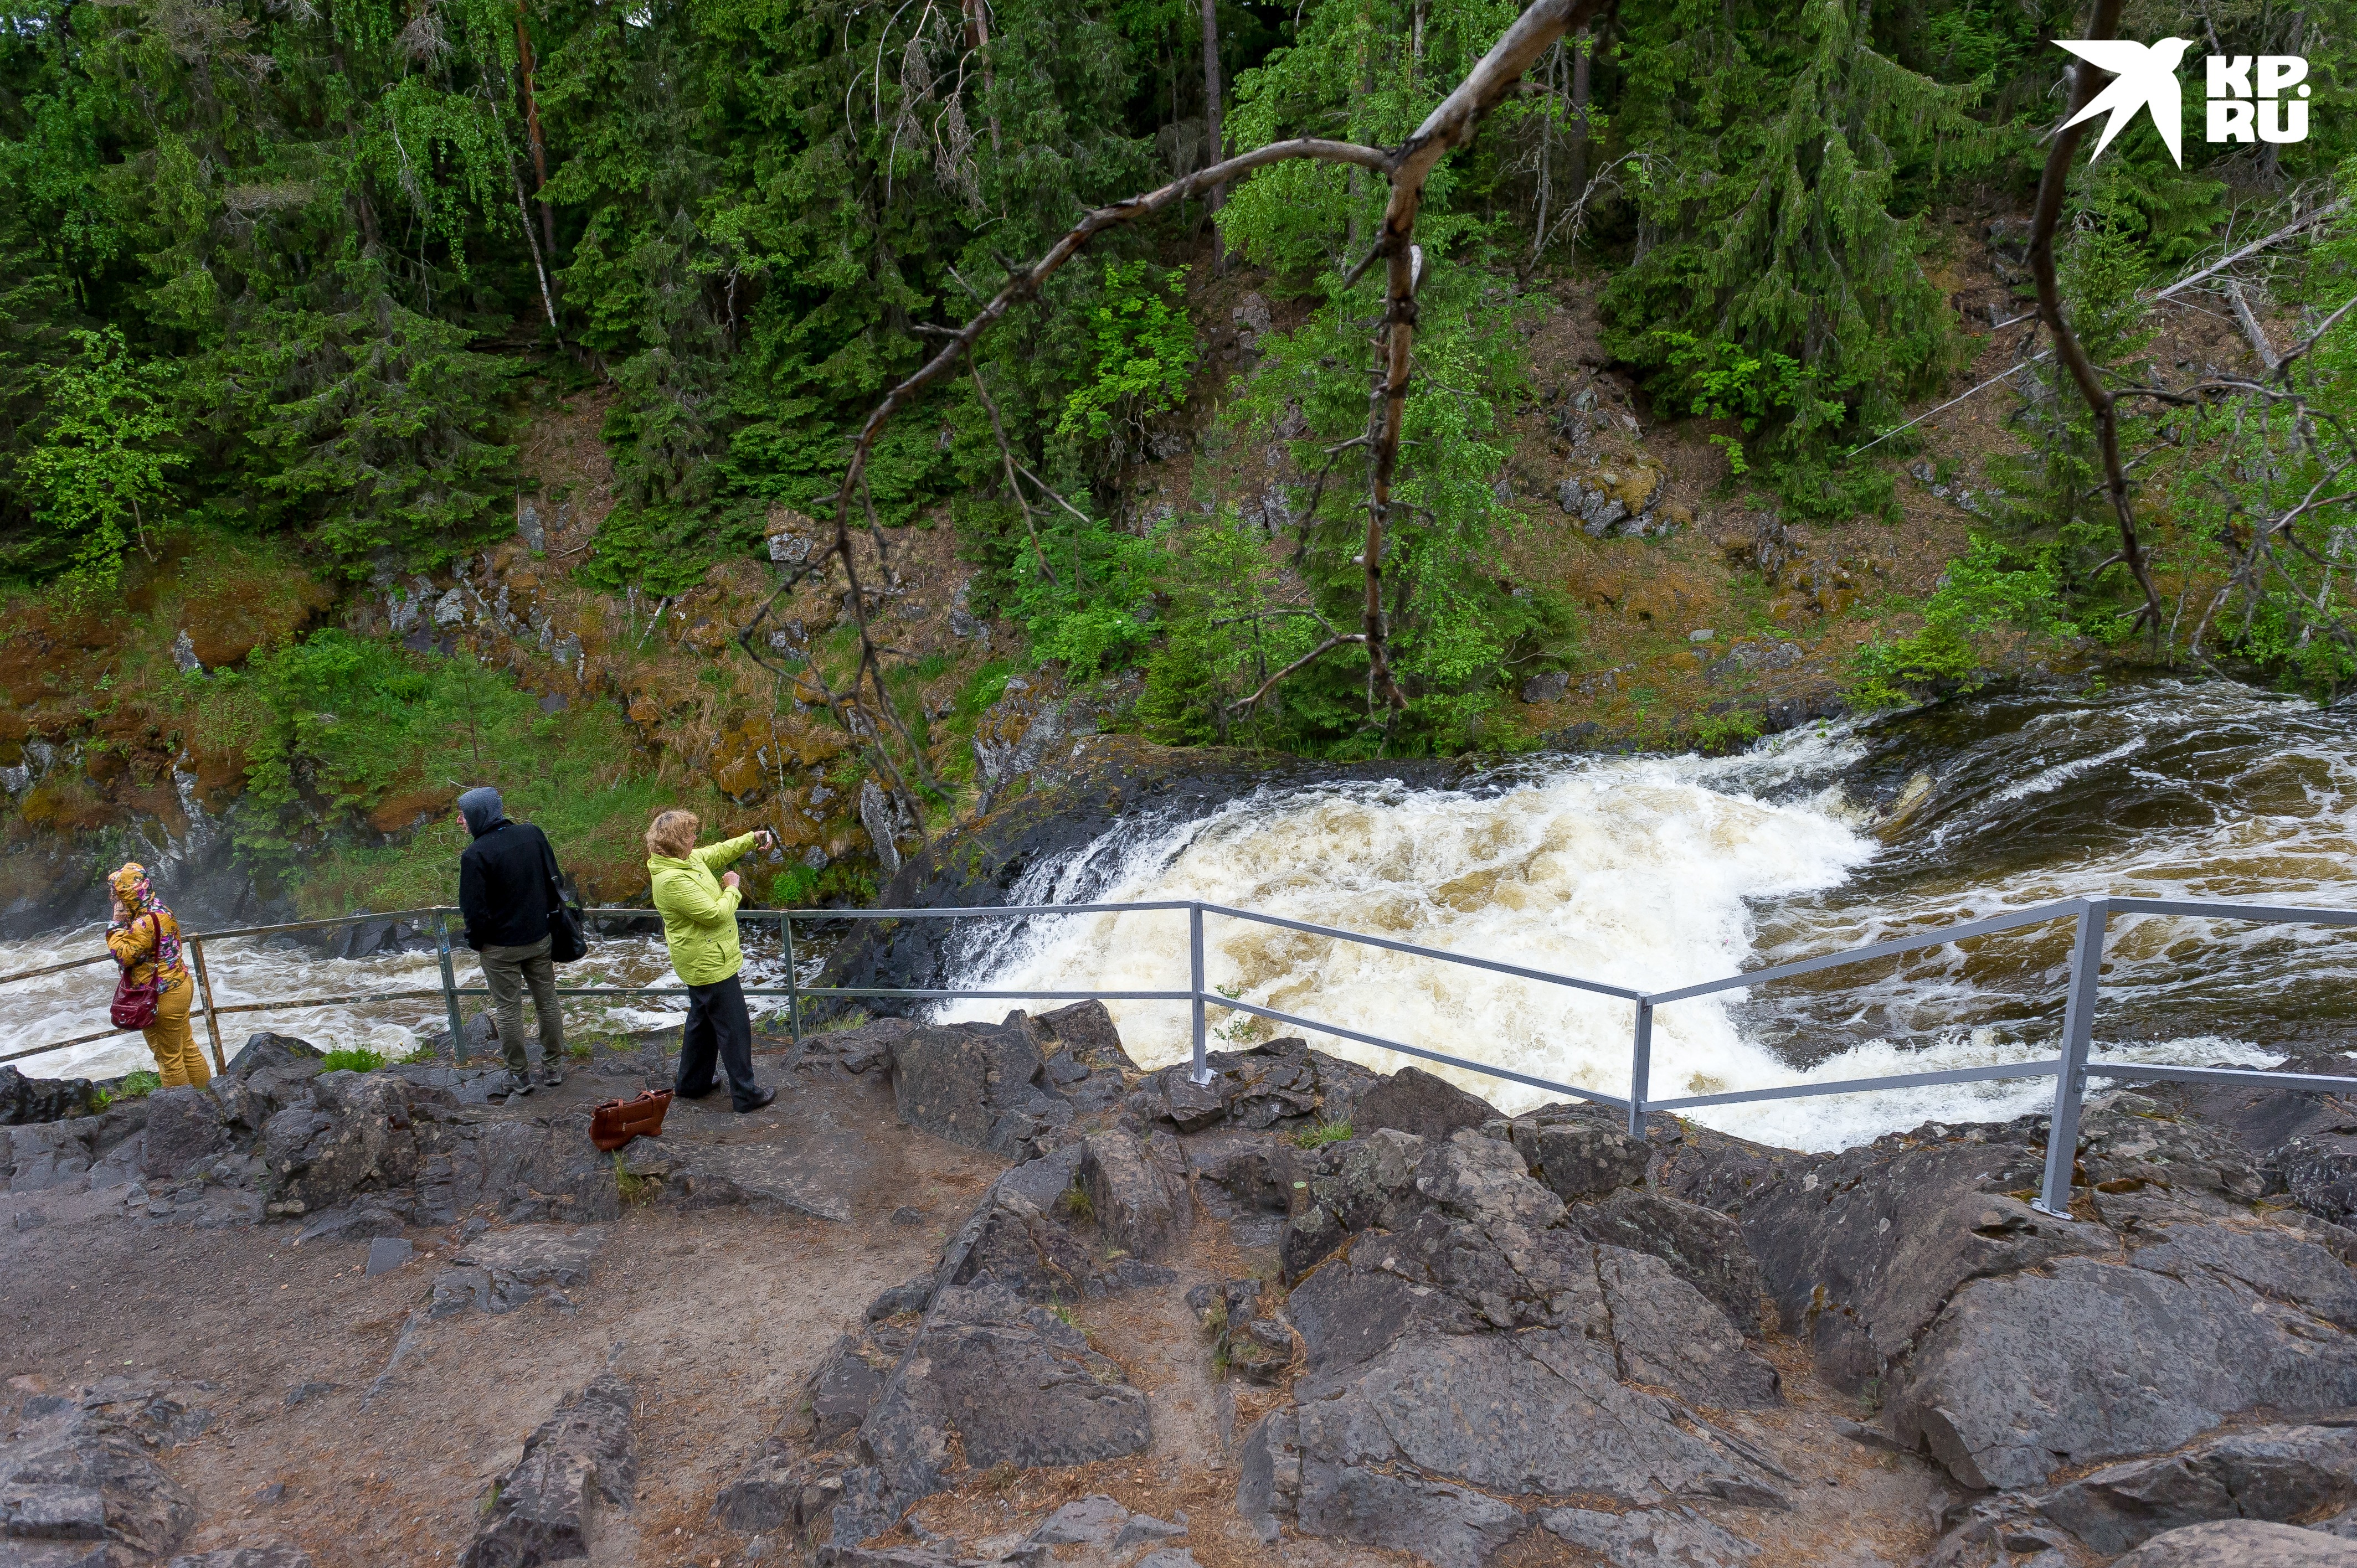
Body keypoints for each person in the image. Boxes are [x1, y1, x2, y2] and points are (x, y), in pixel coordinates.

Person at [646, 809, 777, 1113]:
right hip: (709, 962)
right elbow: (715, 915)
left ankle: (692, 1084)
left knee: (702, 1022)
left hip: (700, 959)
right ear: (678, 842)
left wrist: (750, 839)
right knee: (735, 1027)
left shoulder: (684, 860)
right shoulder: (671, 881)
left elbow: (716, 852)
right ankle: (745, 1095)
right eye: (690, 834)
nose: (695, 837)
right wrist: (732, 887)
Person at [456, 785, 569, 1094]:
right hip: (538, 938)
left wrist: (476, 942)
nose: (460, 821)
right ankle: (553, 1068)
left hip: (499, 948)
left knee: (508, 1010)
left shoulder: (475, 854)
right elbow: (554, 880)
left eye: (463, 814)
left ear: (479, 814)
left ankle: (520, 1076)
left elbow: (474, 911)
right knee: (547, 1001)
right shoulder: (532, 834)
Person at [105, 864, 209, 1089]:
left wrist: (117, 924)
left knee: (169, 1059)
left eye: (116, 892)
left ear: (128, 895)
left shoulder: (143, 923)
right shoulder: (161, 909)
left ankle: (184, 1114)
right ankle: (209, 1098)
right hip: (180, 985)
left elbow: (124, 956)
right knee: (187, 1048)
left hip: (160, 996)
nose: (112, 897)